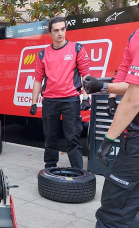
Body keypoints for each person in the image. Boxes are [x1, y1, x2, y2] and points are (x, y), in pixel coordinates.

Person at [84, 1, 139, 228]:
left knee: (114, 213)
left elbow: (133, 99)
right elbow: (128, 75)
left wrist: (109, 137)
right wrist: (110, 93)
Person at [30, 16, 91, 169]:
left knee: (72, 138)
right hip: (50, 101)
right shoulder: (43, 54)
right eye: (56, 30)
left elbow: (86, 75)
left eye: (63, 29)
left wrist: (85, 97)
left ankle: (78, 171)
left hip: (71, 100)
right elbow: (38, 80)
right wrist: (33, 102)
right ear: (50, 33)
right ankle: (50, 168)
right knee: (50, 137)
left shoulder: (77, 49)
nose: (60, 33)